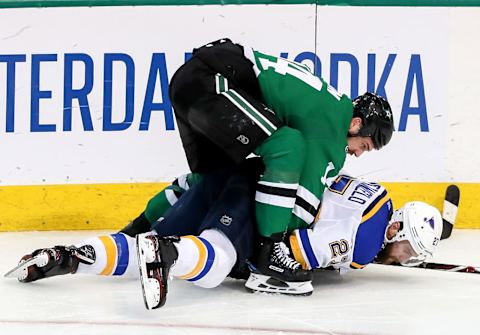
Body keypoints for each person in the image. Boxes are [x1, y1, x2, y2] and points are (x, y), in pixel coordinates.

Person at [6, 169, 442, 310]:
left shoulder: (377, 193)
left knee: (145, 245)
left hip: (224, 175)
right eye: (407, 251)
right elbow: (289, 252)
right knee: (215, 265)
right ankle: (171, 251)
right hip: (253, 197)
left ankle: (68, 256)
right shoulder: (367, 242)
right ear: (397, 230)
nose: (400, 259)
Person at [168, 38, 395, 283]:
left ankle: (140, 230)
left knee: (216, 176)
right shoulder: (332, 129)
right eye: (364, 146)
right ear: (356, 124)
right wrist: (281, 244)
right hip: (213, 81)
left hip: (192, 80)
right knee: (286, 146)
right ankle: (268, 252)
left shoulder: (329, 106)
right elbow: (305, 199)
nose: (358, 153)